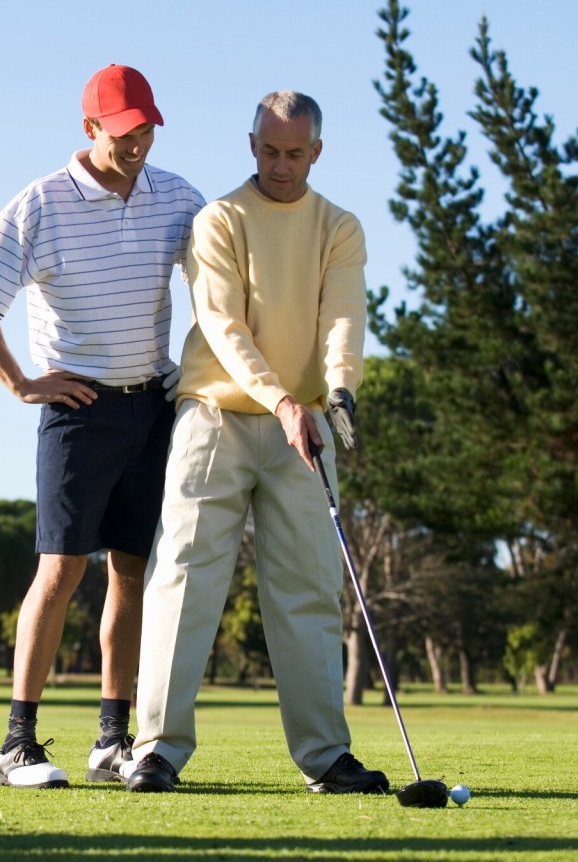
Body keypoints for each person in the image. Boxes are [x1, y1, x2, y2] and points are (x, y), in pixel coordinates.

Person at [124, 90, 389, 795]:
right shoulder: (220, 220)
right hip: (217, 415)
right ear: (251, 146)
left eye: (294, 154)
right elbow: (222, 325)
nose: (280, 164)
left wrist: (337, 390)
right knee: (183, 581)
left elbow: (342, 318)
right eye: (269, 151)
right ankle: (155, 750)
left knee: (307, 589)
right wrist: (278, 399)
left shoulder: (339, 226)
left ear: (317, 153)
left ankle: (326, 756)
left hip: (303, 425)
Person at [0, 64, 205, 788]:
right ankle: (16, 746)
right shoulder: (40, 204)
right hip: (77, 411)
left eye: (146, 129)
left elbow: (221, 283)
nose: (137, 144)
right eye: (124, 132)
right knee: (60, 570)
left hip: (152, 405)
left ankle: (110, 741)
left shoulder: (178, 197)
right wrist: (22, 382)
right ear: (89, 129)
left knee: (131, 573)